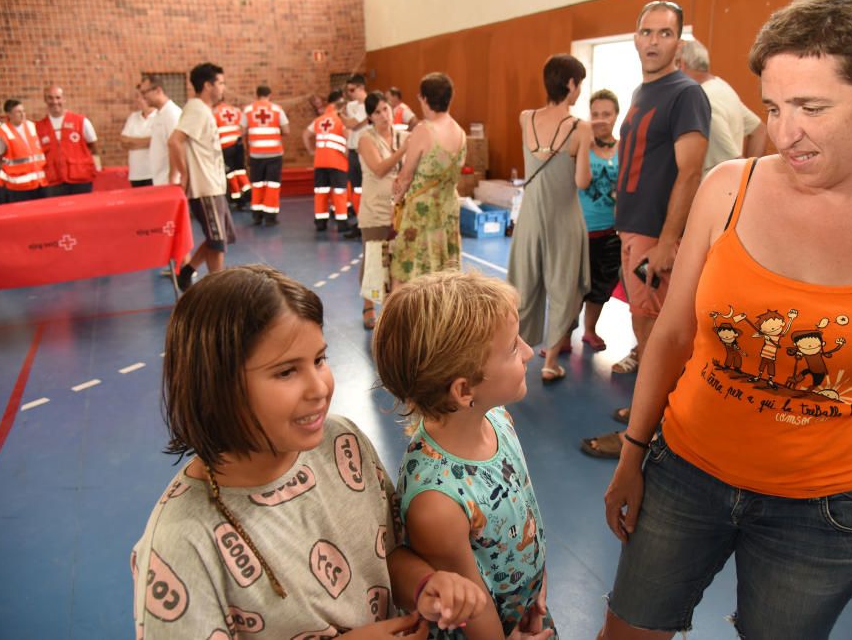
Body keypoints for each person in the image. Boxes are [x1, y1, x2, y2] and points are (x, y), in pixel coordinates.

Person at [599, 0, 852, 640]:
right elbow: (674, 334)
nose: (782, 132)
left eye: (812, 108)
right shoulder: (726, 189)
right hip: (684, 475)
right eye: (773, 104)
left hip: (826, 515)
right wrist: (632, 450)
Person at [132, 264, 488, 639]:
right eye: (286, 371)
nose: (319, 387)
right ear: (215, 389)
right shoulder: (180, 542)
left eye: (319, 359)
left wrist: (424, 585)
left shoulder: (343, 444)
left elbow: (385, 555)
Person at [372, 271, 554, 640]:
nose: (529, 351)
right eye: (512, 348)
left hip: (526, 608)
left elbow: (524, 510)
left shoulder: (497, 417)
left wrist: (538, 591)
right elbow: (474, 610)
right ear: (464, 390)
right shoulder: (436, 504)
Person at [583, 0, 710, 456]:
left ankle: (650, 434)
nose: (653, 41)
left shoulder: (685, 93)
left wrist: (670, 241)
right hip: (632, 231)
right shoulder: (641, 93)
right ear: (635, 37)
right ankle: (648, 412)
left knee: (657, 335)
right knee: (643, 328)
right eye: (646, 32)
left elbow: (690, 172)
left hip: (656, 237)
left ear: (679, 41)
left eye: (664, 33)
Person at [508, 54, 592, 383]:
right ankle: (550, 362)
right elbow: (582, 181)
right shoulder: (580, 128)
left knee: (523, 286)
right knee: (564, 287)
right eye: (579, 83)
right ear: (571, 84)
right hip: (563, 218)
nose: (580, 90)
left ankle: (516, 357)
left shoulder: (525, 118)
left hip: (530, 215)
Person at [389, 73, 467, 289]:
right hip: (448, 210)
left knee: (405, 272)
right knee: (443, 275)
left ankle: (402, 320)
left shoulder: (424, 130)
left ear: (424, 99)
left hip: (421, 213)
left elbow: (405, 177)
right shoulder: (460, 133)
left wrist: (394, 203)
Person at [168, 63, 235, 290]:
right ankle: (219, 290)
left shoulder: (204, 110)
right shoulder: (196, 108)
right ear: (208, 85)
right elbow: (175, 140)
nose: (223, 87)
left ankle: (186, 272)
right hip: (205, 187)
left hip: (214, 186)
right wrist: (184, 174)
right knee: (217, 242)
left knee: (219, 237)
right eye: (221, 82)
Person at [356, 90, 409, 329]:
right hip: (374, 208)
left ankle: (390, 306)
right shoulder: (366, 139)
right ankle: (368, 307)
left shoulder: (402, 136)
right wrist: (404, 150)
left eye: (385, 109)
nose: (383, 115)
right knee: (374, 259)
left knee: (396, 260)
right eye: (377, 112)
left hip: (400, 208)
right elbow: (378, 169)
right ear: (370, 118)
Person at [679, 39, 767, 178]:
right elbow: (759, 130)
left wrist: (747, 181)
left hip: (713, 193)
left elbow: (735, 160)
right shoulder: (722, 88)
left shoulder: (704, 101)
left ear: (681, 65)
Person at [576, 89, 622, 353]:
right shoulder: (581, 146)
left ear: (616, 115)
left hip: (609, 232)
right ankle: (561, 336)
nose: (600, 119)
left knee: (601, 287)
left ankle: (590, 330)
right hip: (580, 231)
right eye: (595, 114)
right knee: (571, 288)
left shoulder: (623, 148)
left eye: (606, 114)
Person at [36, 85, 99, 197]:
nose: (55, 101)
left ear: (64, 99)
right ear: (45, 100)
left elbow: (93, 146)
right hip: (53, 181)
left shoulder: (81, 121)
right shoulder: (39, 127)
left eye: (58, 97)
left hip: (80, 179)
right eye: (50, 98)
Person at [303, 90, 351, 232]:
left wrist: (311, 151)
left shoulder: (319, 120)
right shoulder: (341, 119)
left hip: (320, 162)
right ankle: (342, 222)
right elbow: (349, 138)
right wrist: (348, 154)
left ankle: (320, 222)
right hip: (337, 162)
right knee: (339, 192)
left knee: (321, 192)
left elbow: (305, 134)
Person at [242, 85, 290, 225]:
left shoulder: (248, 110)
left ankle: (257, 215)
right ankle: (270, 217)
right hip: (274, 153)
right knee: (272, 185)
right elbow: (286, 130)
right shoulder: (276, 109)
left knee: (257, 184)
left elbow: (241, 130)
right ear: (270, 95)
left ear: (256, 95)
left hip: (256, 154)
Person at [0, 99, 47, 202]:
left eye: (23, 111)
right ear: (9, 114)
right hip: (17, 186)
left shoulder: (32, 126)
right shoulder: (2, 133)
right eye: (18, 112)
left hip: (40, 182)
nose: (23, 114)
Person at [139, 75, 182, 186]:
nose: (143, 97)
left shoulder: (172, 114)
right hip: (160, 179)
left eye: (145, 92)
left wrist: (172, 178)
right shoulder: (159, 114)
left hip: (170, 181)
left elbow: (176, 147)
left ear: (158, 90)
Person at [214, 96, 252, 209]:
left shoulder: (213, 112)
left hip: (225, 146)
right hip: (238, 144)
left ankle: (238, 199)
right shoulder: (236, 111)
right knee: (240, 171)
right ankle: (249, 193)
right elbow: (243, 128)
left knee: (230, 173)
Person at [343, 74, 369, 235]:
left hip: (363, 152)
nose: (350, 93)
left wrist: (340, 115)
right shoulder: (353, 105)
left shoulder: (368, 104)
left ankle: (365, 223)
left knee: (365, 189)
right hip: (353, 150)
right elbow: (349, 127)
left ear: (361, 88)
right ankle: (360, 221)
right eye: (348, 91)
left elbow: (351, 124)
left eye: (352, 90)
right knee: (356, 189)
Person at [119, 87, 156, 187]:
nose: (138, 100)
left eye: (141, 97)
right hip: (136, 174)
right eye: (137, 97)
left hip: (153, 173)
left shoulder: (160, 116)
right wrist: (146, 141)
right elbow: (123, 142)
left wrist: (132, 142)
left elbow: (156, 141)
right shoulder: (133, 117)